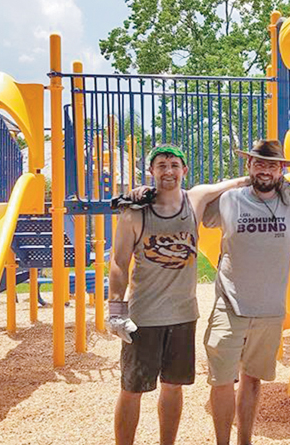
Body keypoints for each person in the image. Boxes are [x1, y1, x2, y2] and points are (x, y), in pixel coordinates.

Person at [107, 145, 249, 445]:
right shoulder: (135, 212)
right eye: (161, 165)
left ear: (184, 170)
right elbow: (119, 261)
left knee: (173, 387)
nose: (168, 171)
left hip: (184, 315)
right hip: (144, 316)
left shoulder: (194, 199)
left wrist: (266, 172)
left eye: (174, 165)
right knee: (131, 388)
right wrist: (116, 308)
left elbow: (237, 183)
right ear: (151, 172)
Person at [201, 138, 290, 445]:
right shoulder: (230, 200)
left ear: (281, 171)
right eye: (259, 163)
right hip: (230, 304)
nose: (266, 170)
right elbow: (193, 202)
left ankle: (245, 441)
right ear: (249, 166)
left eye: (272, 165)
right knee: (223, 379)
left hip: (269, 309)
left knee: (252, 380)